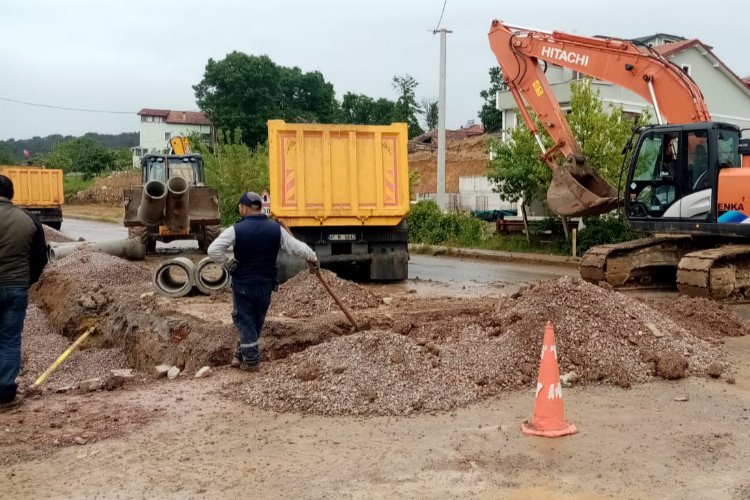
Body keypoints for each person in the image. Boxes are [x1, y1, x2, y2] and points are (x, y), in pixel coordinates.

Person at [208, 192, 319, 372]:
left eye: (240, 207)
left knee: (245, 320)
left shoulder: (236, 229)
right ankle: (239, 355)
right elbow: (297, 247)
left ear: (244, 208)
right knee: (256, 320)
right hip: (266, 284)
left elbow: (213, 250)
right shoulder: (276, 229)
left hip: (243, 284)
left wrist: (227, 264)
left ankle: (251, 361)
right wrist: (313, 259)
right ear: (260, 208)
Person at [0, 174, 48, 410]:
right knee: (9, 340)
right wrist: (26, 282)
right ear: (11, 194)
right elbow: (40, 258)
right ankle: (5, 394)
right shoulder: (27, 219)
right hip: (16, 287)